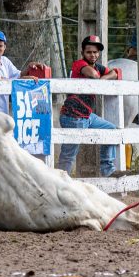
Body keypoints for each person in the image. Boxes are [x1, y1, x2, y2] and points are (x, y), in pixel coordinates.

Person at [58, 35, 120, 177]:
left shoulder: (97, 66)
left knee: (111, 131)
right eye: (89, 52)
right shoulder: (79, 64)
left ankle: (107, 169)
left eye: (95, 52)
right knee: (69, 154)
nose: (93, 55)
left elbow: (115, 73)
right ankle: (60, 181)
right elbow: (93, 75)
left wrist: (103, 79)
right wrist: (102, 79)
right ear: (83, 53)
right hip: (72, 116)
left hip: (86, 115)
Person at [0, 30, 43, 114]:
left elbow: (18, 74)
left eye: (0, 46)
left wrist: (29, 67)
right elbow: (1, 82)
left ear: (5, 47)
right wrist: (25, 79)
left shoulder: (5, 61)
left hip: (3, 110)